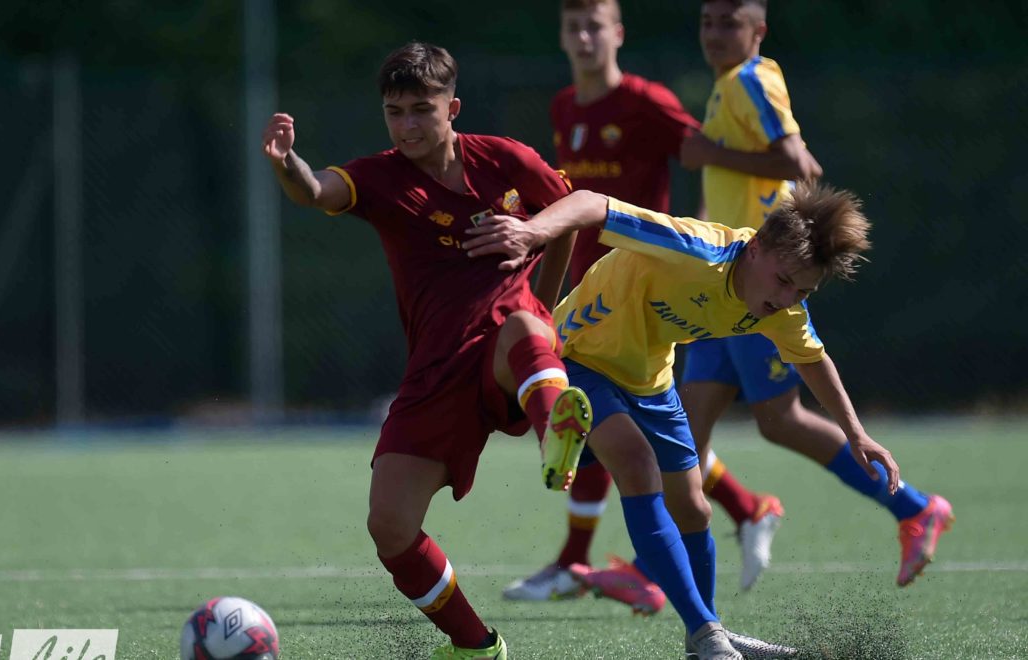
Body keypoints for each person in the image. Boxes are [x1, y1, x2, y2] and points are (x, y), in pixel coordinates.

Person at [463, 181, 895, 659]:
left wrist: (856, 433)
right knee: (636, 464)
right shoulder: (694, 247)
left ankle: (700, 638)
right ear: (755, 249)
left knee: (693, 508)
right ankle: (707, 633)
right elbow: (589, 202)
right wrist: (533, 232)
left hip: (650, 378)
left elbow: (812, 359)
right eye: (783, 280)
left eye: (804, 290)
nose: (789, 297)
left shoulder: (782, 306)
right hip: (579, 357)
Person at [262, 42, 594, 659]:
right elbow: (314, 191)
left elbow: (569, 215)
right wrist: (288, 164)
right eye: (395, 112)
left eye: (421, 109)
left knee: (524, 325)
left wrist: (541, 285)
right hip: (436, 371)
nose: (408, 125)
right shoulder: (381, 177)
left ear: (452, 108)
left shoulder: (506, 160)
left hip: (508, 344)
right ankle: (477, 646)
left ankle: (557, 432)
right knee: (389, 526)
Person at [503, 0, 785, 605]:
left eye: (594, 27)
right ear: (562, 37)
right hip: (588, 285)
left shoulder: (646, 101)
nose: (583, 38)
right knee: (616, 428)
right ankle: (744, 510)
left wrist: (713, 226)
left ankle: (583, 561)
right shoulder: (564, 106)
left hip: (643, 295)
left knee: (615, 428)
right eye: (572, 27)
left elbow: (702, 154)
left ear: (618, 34)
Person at [682, 0, 954, 591]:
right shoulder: (727, 85)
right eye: (707, 21)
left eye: (729, 22)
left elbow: (796, 160)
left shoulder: (751, 78)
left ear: (759, 30)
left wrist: (711, 154)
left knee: (780, 421)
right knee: (687, 434)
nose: (714, 33)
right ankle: (669, 569)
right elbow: (747, 180)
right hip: (724, 283)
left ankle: (915, 507)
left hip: (759, 287)